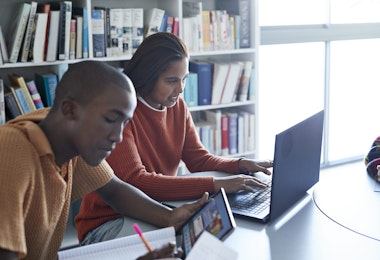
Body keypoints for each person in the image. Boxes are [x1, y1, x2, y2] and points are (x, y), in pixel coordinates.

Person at [76, 32, 273, 245]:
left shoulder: (176, 106)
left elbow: (198, 159)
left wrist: (240, 165)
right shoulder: (121, 110)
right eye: (171, 81)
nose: (180, 90)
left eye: (184, 79)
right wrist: (217, 184)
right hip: (108, 223)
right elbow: (136, 180)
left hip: (158, 210)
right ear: (147, 76)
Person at [0, 60, 207, 260]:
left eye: (124, 122)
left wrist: (169, 217)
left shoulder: (67, 140)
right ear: (69, 110)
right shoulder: (11, 152)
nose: (117, 136)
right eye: (110, 119)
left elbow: (114, 190)